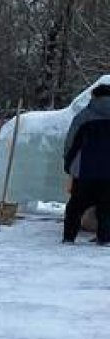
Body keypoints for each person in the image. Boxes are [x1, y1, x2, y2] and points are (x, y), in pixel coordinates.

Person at [63, 82, 110, 245]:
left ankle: (69, 237)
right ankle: (105, 239)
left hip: (85, 171)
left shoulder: (84, 116)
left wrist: (68, 164)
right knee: (106, 208)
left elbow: (71, 142)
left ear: (95, 97)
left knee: (76, 207)